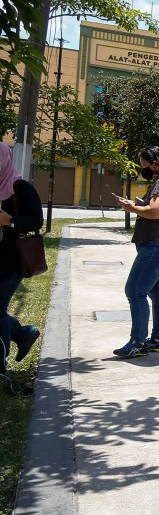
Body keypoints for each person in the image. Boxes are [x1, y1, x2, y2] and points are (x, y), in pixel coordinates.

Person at [113, 146, 159, 358]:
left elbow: (156, 211)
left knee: (135, 291)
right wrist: (140, 204)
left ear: (157, 163)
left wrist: (131, 207)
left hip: (156, 247)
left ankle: (138, 342)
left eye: (145, 165)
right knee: (157, 294)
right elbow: (156, 208)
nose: (143, 169)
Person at [0, 144, 42, 374]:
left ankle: (1, 362)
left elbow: (36, 221)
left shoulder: (20, 187)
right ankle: (23, 333)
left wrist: (10, 221)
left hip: (12, 260)